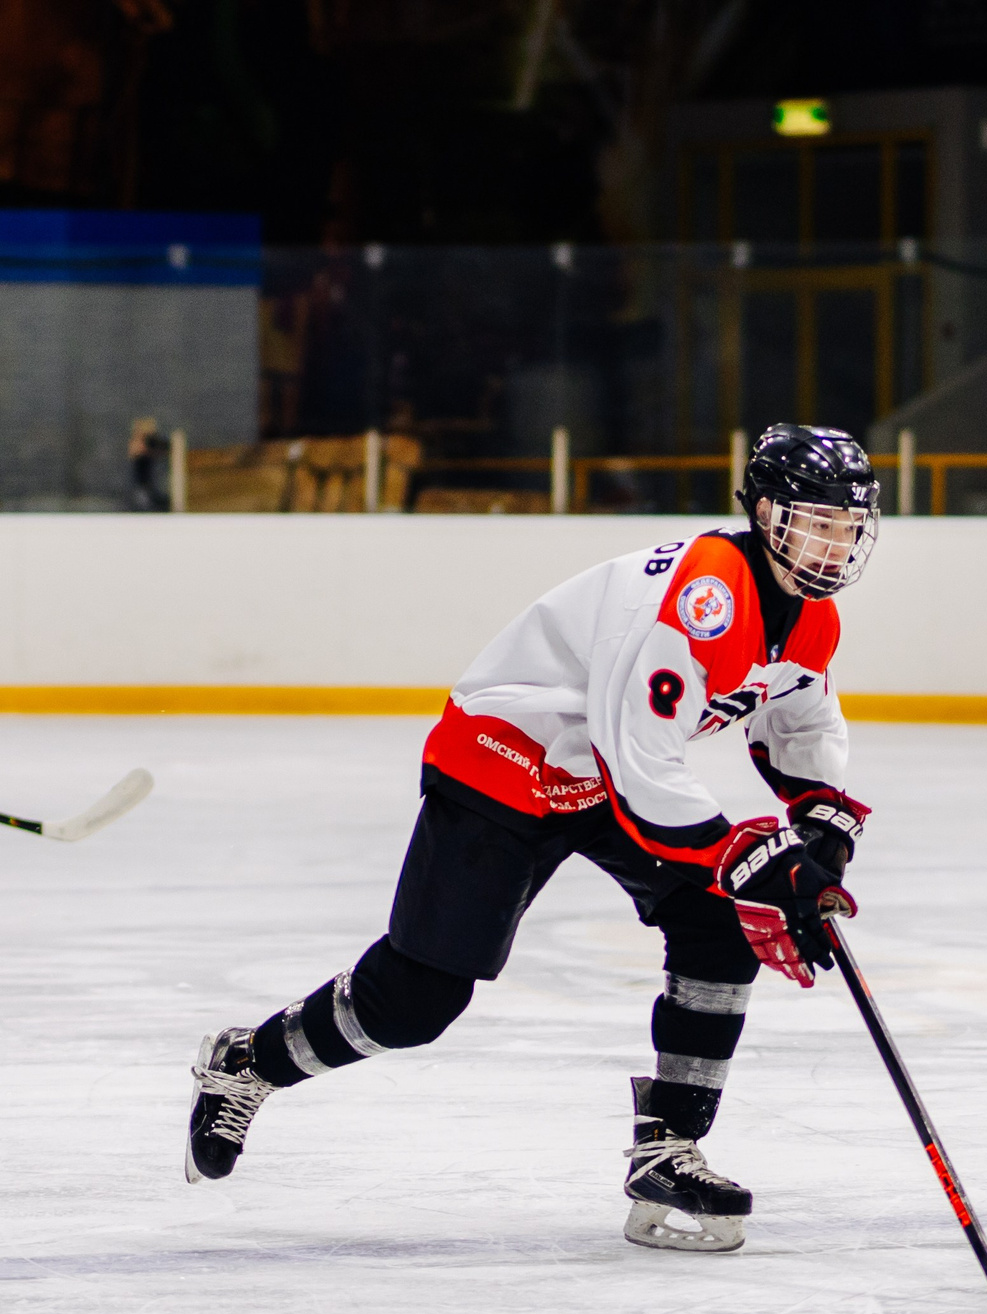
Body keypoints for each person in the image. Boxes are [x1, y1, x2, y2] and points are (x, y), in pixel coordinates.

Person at [184, 425, 882, 1255]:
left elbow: (801, 722)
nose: (833, 546)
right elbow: (642, 762)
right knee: (416, 1000)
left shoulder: (809, 620)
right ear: (765, 513)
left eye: (848, 528)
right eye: (816, 523)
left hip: (596, 771)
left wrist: (821, 822)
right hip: (503, 757)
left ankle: (667, 1149)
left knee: (719, 923)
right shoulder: (705, 596)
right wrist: (757, 861)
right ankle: (249, 1062)